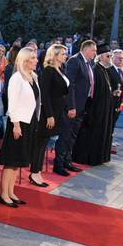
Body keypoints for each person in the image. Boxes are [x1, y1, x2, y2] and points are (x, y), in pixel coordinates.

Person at [0, 48, 40, 207]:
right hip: (18, 124)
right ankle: (4, 194)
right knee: (12, 161)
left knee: (19, 161)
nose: (37, 60)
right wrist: (16, 125)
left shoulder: (33, 76)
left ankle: (11, 192)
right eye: (33, 58)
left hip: (29, 122)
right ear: (25, 60)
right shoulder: (17, 78)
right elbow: (12, 103)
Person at [54, 40, 95, 173]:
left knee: (72, 136)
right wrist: (71, 106)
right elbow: (70, 85)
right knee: (65, 135)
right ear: (86, 49)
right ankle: (58, 164)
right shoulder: (75, 61)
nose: (95, 53)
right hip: (72, 106)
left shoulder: (88, 63)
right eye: (93, 50)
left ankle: (67, 161)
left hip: (82, 105)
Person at [72, 45, 116, 165]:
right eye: (108, 56)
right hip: (96, 109)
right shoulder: (96, 69)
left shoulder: (105, 70)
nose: (110, 58)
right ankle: (88, 158)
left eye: (111, 56)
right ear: (100, 57)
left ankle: (100, 157)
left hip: (103, 108)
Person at [33, 45, 67, 181]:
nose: (65, 56)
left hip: (58, 111)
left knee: (45, 142)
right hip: (49, 113)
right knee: (40, 143)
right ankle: (34, 172)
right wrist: (49, 115)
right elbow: (44, 95)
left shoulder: (60, 69)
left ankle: (37, 172)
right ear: (54, 55)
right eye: (63, 54)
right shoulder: (48, 71)